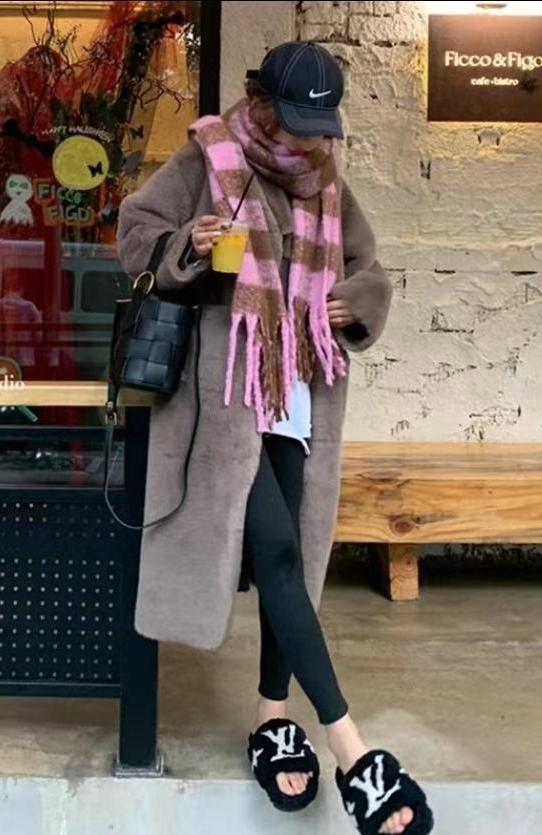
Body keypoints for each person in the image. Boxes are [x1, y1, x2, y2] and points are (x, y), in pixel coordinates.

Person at [117, 41, 434, 835]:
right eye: (297, 123)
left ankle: (271, 716)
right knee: (282, 557)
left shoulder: (326, 180)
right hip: (225, 401)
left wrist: (354, 301)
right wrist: (189, 245)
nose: (311, 140)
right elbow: (135, 230)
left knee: (290, 562)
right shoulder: (207, 156)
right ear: (261, 105)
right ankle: (354, 751)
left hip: (296, 394)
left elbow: (368, 267)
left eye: (321, 127)